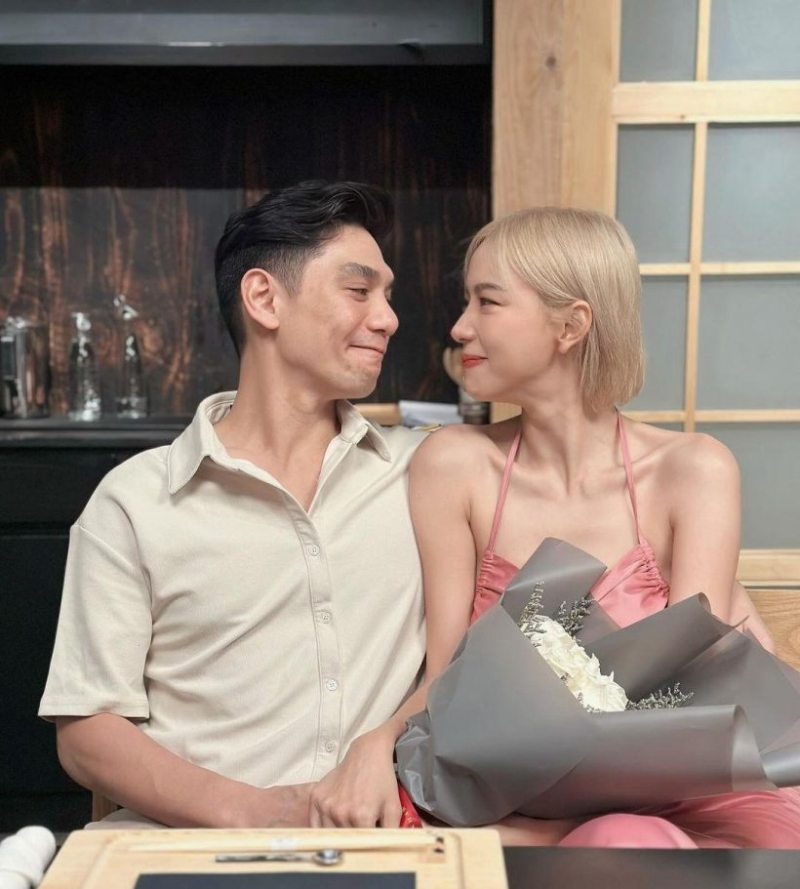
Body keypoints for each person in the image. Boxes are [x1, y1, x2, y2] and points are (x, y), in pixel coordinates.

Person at [310, 206, 800, 848]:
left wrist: (536, 836)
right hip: (523, 802)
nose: (459, 327)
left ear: (571, 325)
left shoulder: (693, 471)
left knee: (623, 840)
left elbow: (691, 703)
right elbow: (443, 681)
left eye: (487, 302)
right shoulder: (453, 465)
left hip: (695, 798)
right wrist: (375, 744)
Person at [39, 181, 426, 828]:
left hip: (382, 844)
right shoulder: (136, 500)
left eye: (388, 296)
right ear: (264, 298)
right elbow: (87, 729)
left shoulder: (426, 473)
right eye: (360, 291)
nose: (387, 318)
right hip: (188, 846)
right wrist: (263, 812)